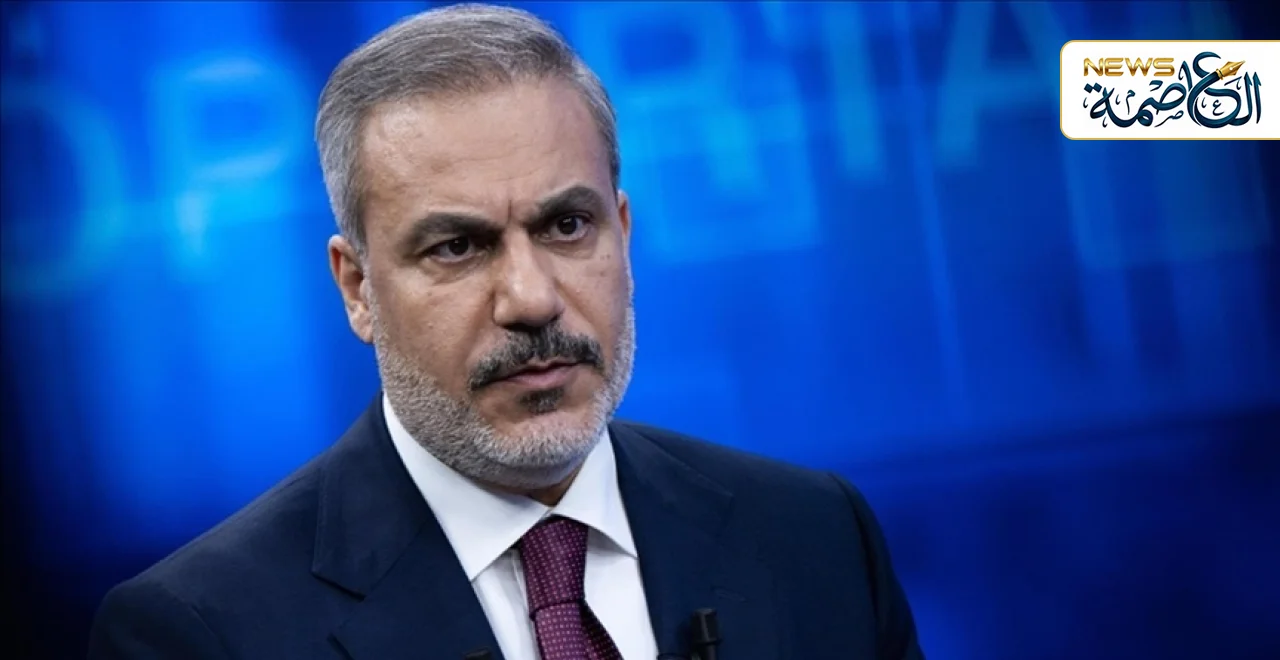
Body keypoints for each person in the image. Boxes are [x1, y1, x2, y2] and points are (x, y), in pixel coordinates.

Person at [88, 4, 924, 659]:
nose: (531, 299)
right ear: (358, 289)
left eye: (567, 226)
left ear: (624, 234)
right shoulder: (200, 633)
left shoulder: (816, 537)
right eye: (457, 246)